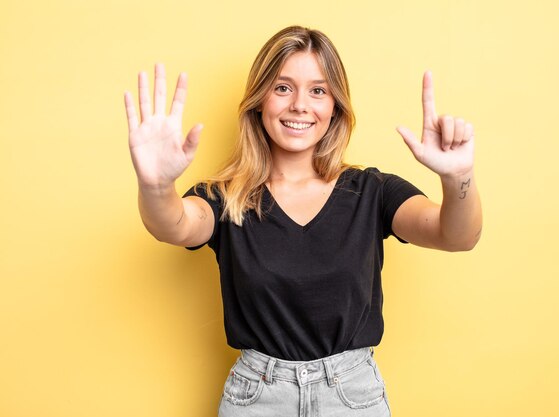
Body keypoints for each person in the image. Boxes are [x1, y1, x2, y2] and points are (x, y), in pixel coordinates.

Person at [124, 25, 481, 417]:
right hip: (256, 399)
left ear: (335, 107)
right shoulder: (226, 197)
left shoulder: (372, 191)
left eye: (318, 90)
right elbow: (173, 225)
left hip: (352, 397)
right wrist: (156, 186)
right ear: (260, 100)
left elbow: (456, 236)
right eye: (282, 87)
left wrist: (457, 176)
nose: (299, 105)